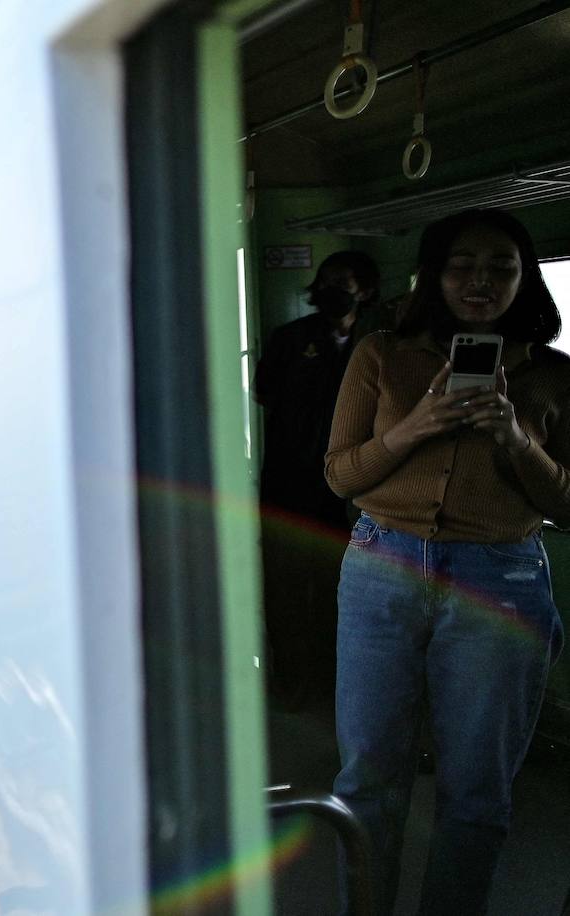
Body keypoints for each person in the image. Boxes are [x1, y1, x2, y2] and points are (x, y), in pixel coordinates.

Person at [325, 209, 567, 914]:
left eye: (502, 266)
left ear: (526, 279)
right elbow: (341, 476)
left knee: (477, 792)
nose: (481, 280)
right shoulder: (381, 355)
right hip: (383, 566)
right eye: (462, 265)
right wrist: (415, 427)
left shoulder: (554, 375)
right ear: (434, 274)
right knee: (367, 778)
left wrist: (519, 441)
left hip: (503, 577)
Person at [255, 251, 379, 703]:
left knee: (340, 584)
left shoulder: (379, 343)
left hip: (350, 488)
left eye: (343, 282)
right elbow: (264, 391)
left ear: (363, 290)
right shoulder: (291, 338)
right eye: (325, 281)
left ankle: (334, 680)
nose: (332, 289)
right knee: (286, 584)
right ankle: (290, 680)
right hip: (289, 482)